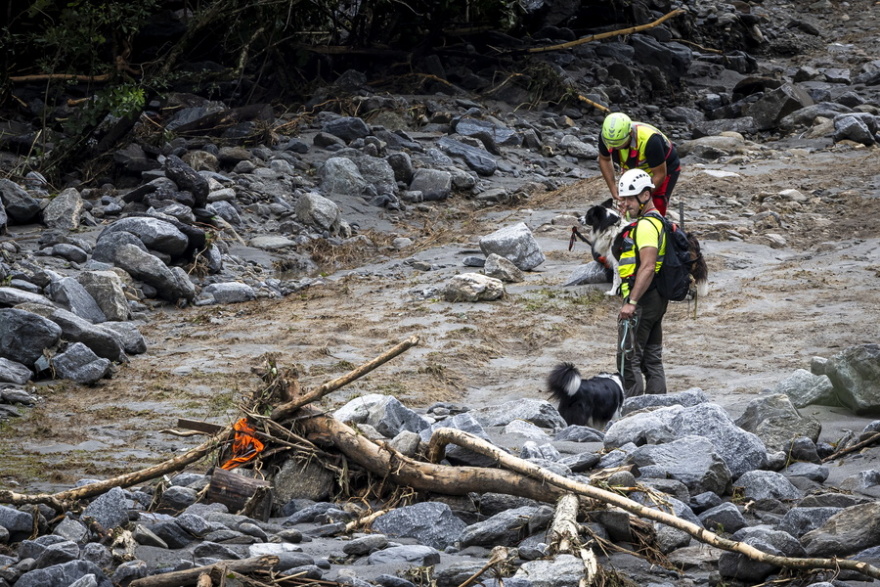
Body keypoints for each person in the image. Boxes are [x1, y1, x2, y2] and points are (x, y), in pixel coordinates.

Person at [613, 168, 668, 397]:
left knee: (628, 359)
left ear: (645, 195)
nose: (625, 203)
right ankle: (658, 407)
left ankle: (633, 410)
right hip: (656, 299)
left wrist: (632, 302)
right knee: (651, 359)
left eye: (629, 198)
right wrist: (626, 214)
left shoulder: (645, 226)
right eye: (623, 198)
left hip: (643, 300)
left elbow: (647, 266)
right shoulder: (656, 220)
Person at [598, 112, 681, 216]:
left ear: (630, 134)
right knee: (629, 201)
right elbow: (604, 159)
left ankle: (657, 222)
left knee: (656, 202)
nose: (614, 147)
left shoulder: (651, 141)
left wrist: (640, 197)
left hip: (664, 167)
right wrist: (613, 188)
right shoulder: (606, 137)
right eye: (611, 144)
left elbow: (660, 175)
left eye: (618, 144)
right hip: (635, 165)